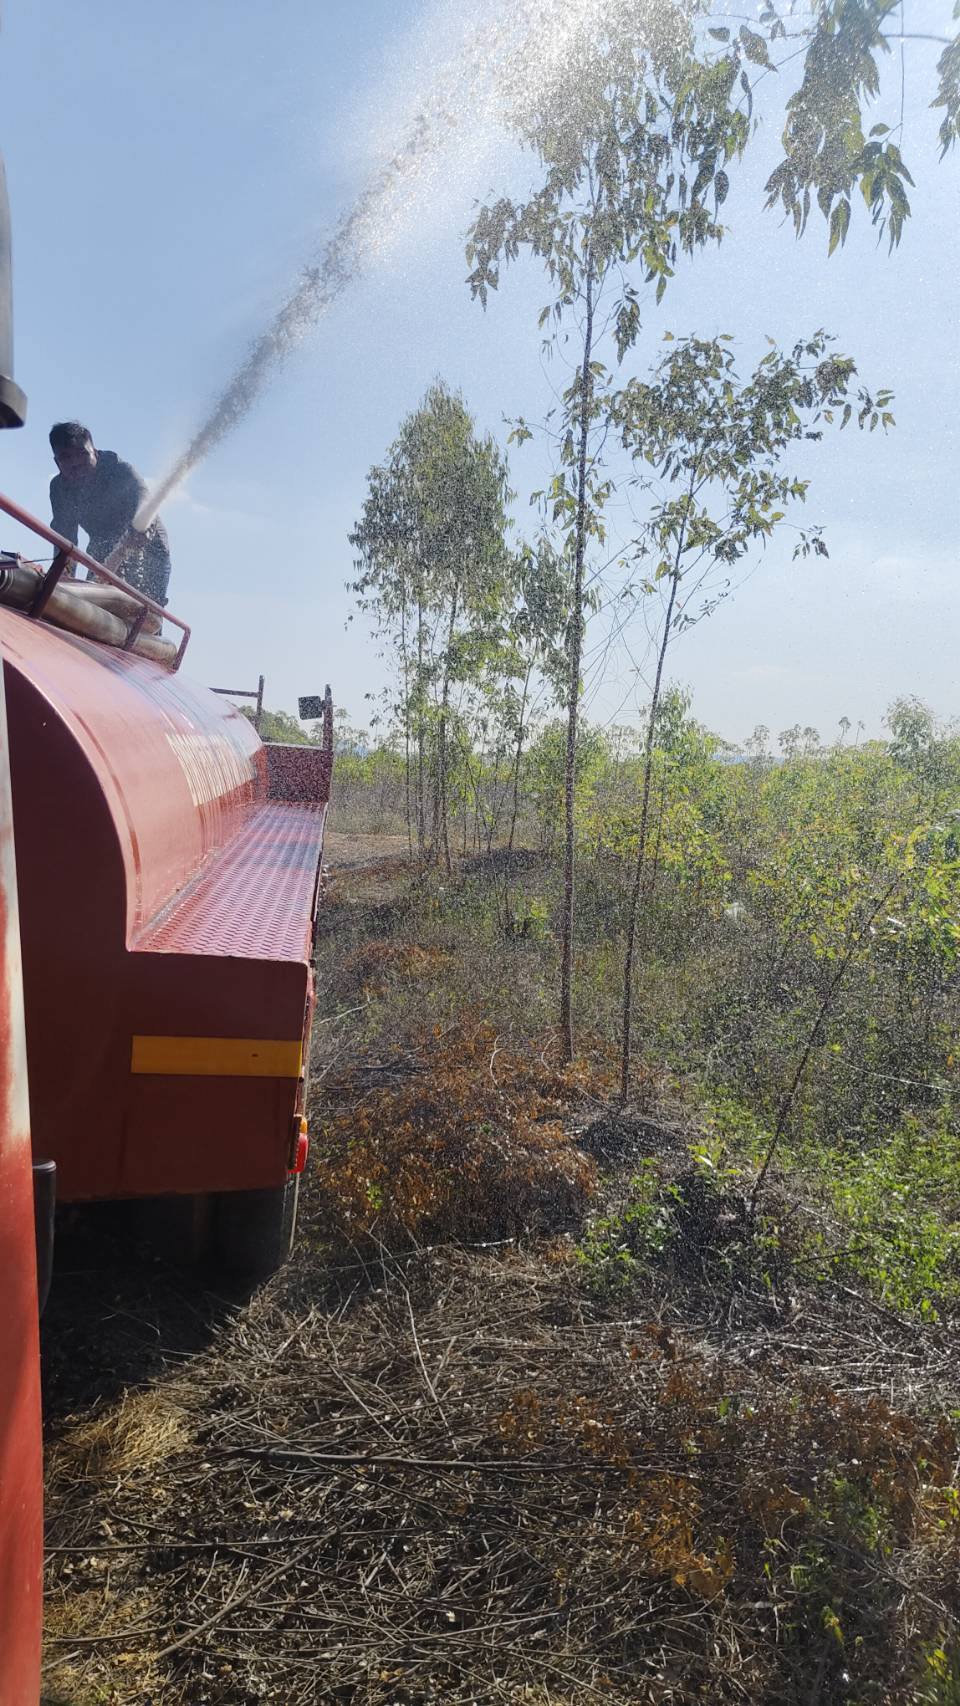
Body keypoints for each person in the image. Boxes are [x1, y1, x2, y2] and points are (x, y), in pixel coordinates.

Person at [48, 421, 171, 606]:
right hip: (102, 546)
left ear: (95, 452)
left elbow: (144, 497)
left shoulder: (119, 469)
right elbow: (65, 539)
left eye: (82, 454)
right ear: (57, 463)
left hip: (146, 541)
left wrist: (141, 526)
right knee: (90, 600)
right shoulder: (59, 489)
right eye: (66, 457)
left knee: (143, 608)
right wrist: (63, 577)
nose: (76, 463)